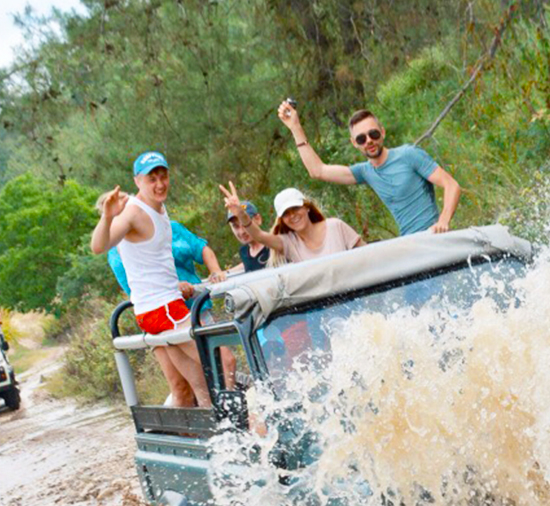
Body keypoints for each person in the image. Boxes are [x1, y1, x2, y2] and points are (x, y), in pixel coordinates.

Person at [91, 151, 212, 408]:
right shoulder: (132, 215)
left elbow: (160, 263)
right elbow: (99, 246)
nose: (159, 184)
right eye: (151, 179)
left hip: (166, 305)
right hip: (159, 309)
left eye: (163, 176)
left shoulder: (160, 211)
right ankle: (235, 435)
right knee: (221, 364)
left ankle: (201, 440)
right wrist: (108, 216)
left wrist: (177, 284)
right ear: (137, 181)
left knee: (191, 385)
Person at [278, 102, 461, 236]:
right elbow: (317, 171)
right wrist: (295, 127)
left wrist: (443, 221)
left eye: (373, 134)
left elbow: (451, 185)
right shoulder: (365, 172)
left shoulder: (408, 155)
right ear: (354, 143)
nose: (369, 141)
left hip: (435, 237)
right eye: (361, 139)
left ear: (382, 132)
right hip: (410, 243)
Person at [218, 183, 364, 268]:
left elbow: (368, 254)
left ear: (307, 207)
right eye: (286, 213)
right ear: (282, 219)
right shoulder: (288, 242)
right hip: (321, 310)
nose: (293, 216)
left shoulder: (335, 227)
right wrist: (240, 214)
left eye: (296, 209)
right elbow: (259, 236)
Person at [226, 200, 270, 273]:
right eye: (236, 226)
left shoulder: (274, 246)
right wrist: (226, 273)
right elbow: (252, 262)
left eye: (245, 223)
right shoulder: (244, 251)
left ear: (258, 219)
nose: (242, 231)